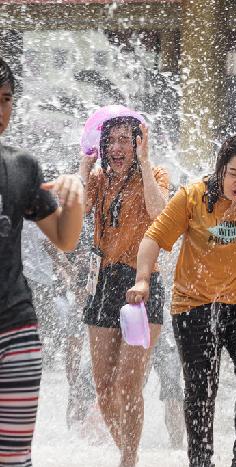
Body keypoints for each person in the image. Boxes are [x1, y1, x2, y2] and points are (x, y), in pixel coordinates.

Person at [126, 135, 236, 466]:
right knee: (201, 387)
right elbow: (153, 238)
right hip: (194, 304)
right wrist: (142, 279)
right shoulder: (193, 196)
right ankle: (201, 461)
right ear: (220, 169)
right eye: (233, 173)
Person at [0, 56, 84, 466]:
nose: (1, 111)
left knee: (15, 457)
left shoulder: (21, 167)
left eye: (6, 99)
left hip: (15, 328)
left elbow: (65, 238)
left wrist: (75, 196)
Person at [79, 111, 169, 466]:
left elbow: (160, 214)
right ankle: (128, 453)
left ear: (137, 143)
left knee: (127, 384)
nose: (116, 148)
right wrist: (83, 171)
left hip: (142, 282)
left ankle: (128, 460)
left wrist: (144, 163)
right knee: (103, 390)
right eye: (110, 141)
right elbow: (77, 214)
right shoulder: (98, 179)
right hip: (102, 283)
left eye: (124, 140)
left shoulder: (156, 173)